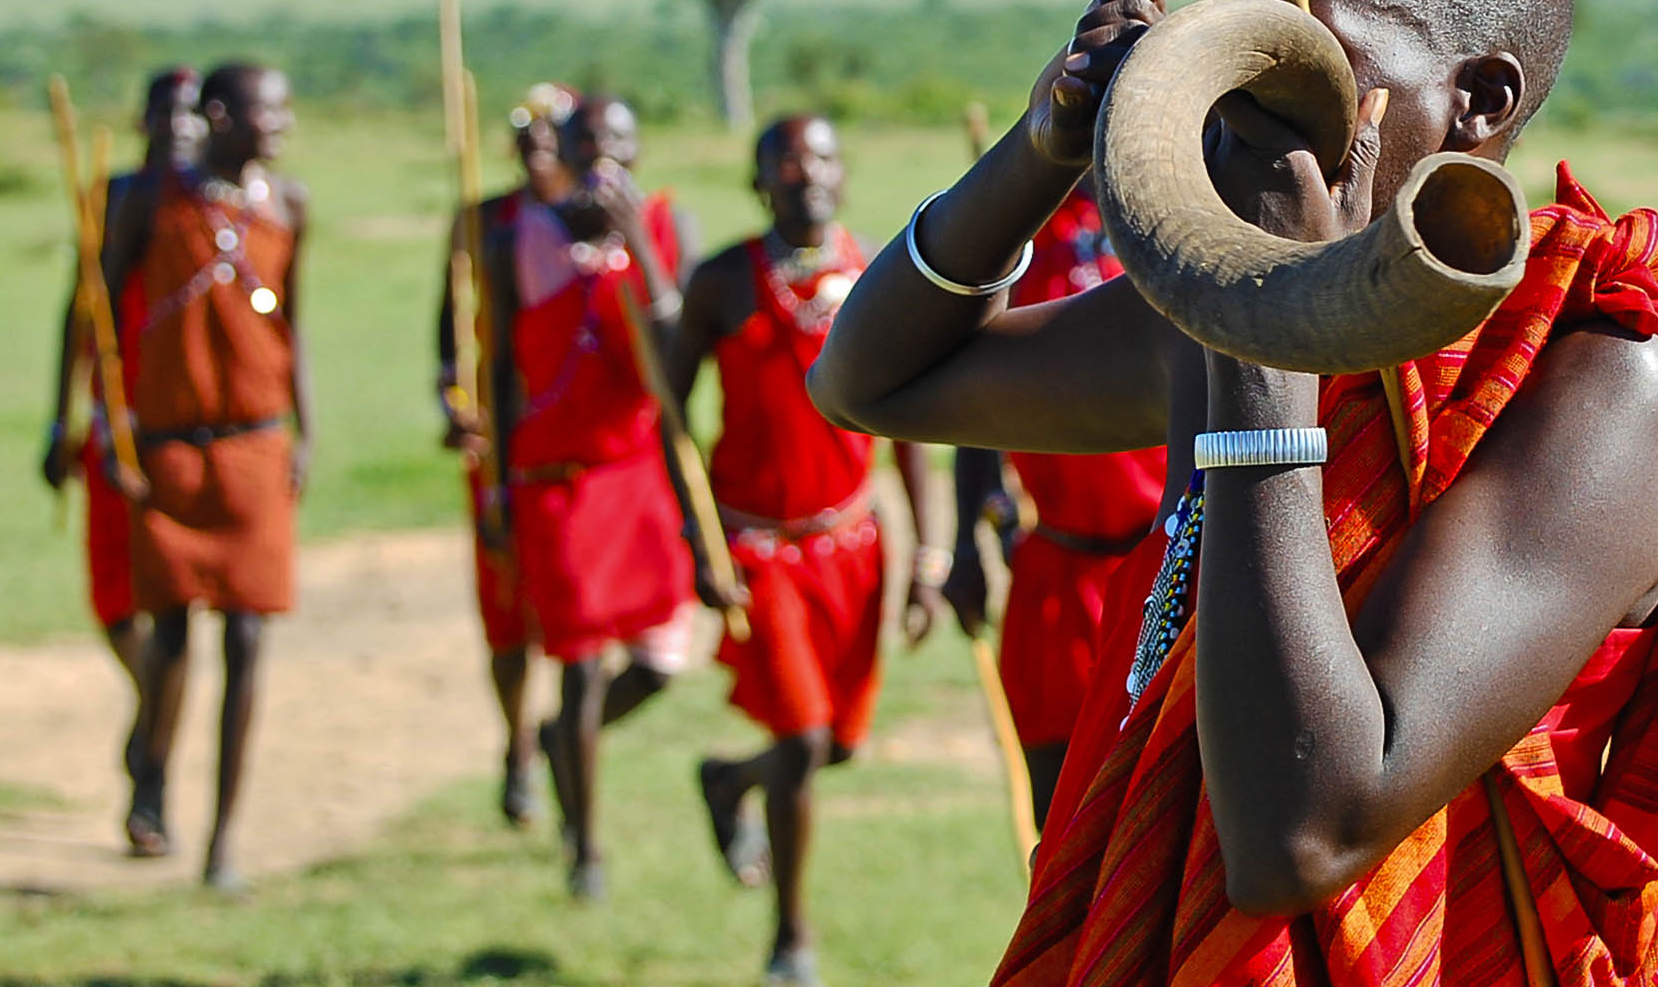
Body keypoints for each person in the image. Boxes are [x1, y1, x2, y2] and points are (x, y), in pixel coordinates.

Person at [810, 0, 1658, 986]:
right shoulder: (1213, 326)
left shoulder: (1600, 378)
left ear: (1476, 99)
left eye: (1298, 53)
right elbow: (873, 383)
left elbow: (1305, 831)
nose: (1233, 95)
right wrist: (1043, 148)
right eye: (1227, 41)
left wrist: (1259, 328)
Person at [666, 114, 945, 987]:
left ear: (843, 173)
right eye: (784, 161)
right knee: (801, 737)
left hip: (853, 546)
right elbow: (669, 421)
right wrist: (696, 539)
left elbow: (911, 423)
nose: (804, 173)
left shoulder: (879, 276)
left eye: (821, 156)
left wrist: (929, 558)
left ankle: (726, 780)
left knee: (841, 744)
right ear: (759, 182)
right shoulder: (720, 284)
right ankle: (792, 939)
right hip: (754, 549)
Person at [106, 63, 314, 891]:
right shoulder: (151, 202)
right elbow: (96, 311)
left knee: (250, 636)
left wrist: (308, 429)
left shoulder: (289, 205)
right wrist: (103, 423)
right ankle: (152, 772)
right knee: (168, 637)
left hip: (257, 447)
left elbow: (293, 323)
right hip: (167, 450)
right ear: (222, 116)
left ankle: (226, 838)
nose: (281, 125)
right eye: (269, 111)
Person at [493, 93, 695, 900]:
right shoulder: (521, 237)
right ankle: (585, 845)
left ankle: (556, 743)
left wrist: (636, 242)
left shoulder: (669, 225)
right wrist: (499, 486)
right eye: (585, 143)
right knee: (577, 664)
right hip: (556, 480)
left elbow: (676, 342)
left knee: (658, 664)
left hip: (636, 473)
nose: (600, 157)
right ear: (563, 153)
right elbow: (504, 373)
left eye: (616, 141)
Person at [946, 180, 1164, 824]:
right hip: (1056, 574)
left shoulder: (1184, 214)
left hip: (1170, 568)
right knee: (1060, 815)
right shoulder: (1013, 242)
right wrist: (967, 538)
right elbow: (976, 395)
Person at [434, 81, 576, 828]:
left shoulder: (591, 227)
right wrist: (455, 406)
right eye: (525, 136)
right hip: (502, 446)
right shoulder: (483, 220)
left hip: (577, 449)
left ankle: (564, 744)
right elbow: (446, 338)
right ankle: (518, 743)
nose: (537, 149)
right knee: (507, 611)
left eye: (552, 134)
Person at [41, 67, 202, 689]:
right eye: (166, 112)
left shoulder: (213, 204)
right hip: (115, 420)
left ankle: (158, 728)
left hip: (187, 424)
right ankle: (152, 706)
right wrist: (62, 420)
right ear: (143, 122)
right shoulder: (114, 196)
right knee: (114, 593)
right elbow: (80, 313)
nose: (178, 127)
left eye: (191, 113)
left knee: (172, 590)